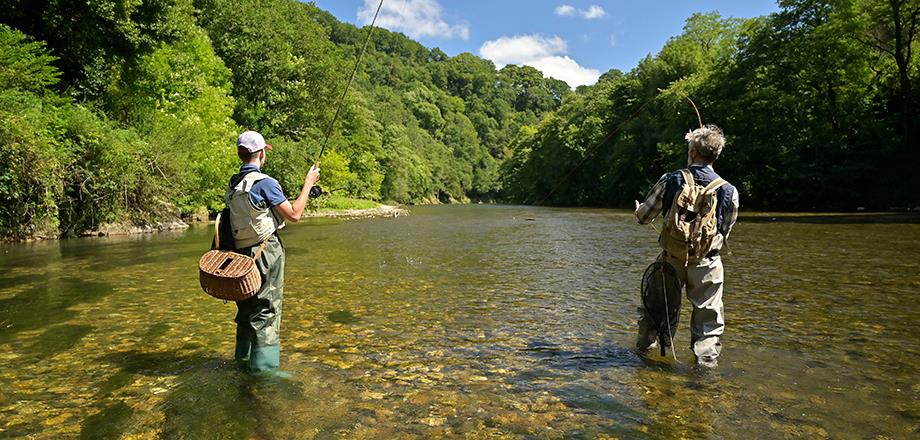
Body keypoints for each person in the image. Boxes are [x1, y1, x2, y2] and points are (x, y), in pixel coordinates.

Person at [634, 125, 739, 368]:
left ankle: (646, 362)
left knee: (656, 314)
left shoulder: (670, 179)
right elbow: (725, 231)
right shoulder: (729, 190)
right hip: (708, 263)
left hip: (671, 260)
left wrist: (637, 209)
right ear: (716, 155)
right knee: (708, 322)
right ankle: (704, 374)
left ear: (692, 152)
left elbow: (643, 217)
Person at [223, 130, 320, 372]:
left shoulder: (234, 184)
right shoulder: (266, 183)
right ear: (262, 154)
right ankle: (264, 372)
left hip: (240, 255)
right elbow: (295, 214)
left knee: (246, 308)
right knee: (267, 309)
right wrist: (308, 183)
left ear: (240, 154)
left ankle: (242, 360)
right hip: (265, 252)